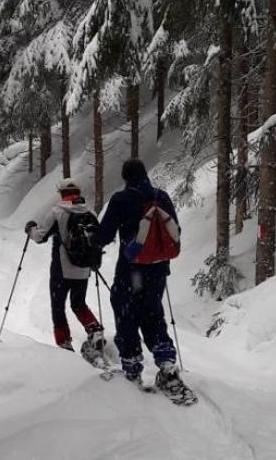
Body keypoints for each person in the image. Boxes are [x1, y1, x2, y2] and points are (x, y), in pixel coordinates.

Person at [94, 157, 187, 397]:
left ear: (125, 177)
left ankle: (132, 366)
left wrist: (94, 243)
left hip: (131, 270)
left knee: (126, 313)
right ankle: (166, 363)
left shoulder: (121, 199)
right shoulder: (161, 196)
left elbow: (104, 235)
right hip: (158, 269)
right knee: (153, 312)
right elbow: (175, 230)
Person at [24, 179, 106, 353]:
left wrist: (30, 229)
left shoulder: (57, 212)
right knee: (78, 303)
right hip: (84, 268)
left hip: (62, 269)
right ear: (78, 192)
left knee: (58, 305)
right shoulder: (89, 212)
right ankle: (95, 331)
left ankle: (64, 344)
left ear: (61, 193)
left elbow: (40, 237)